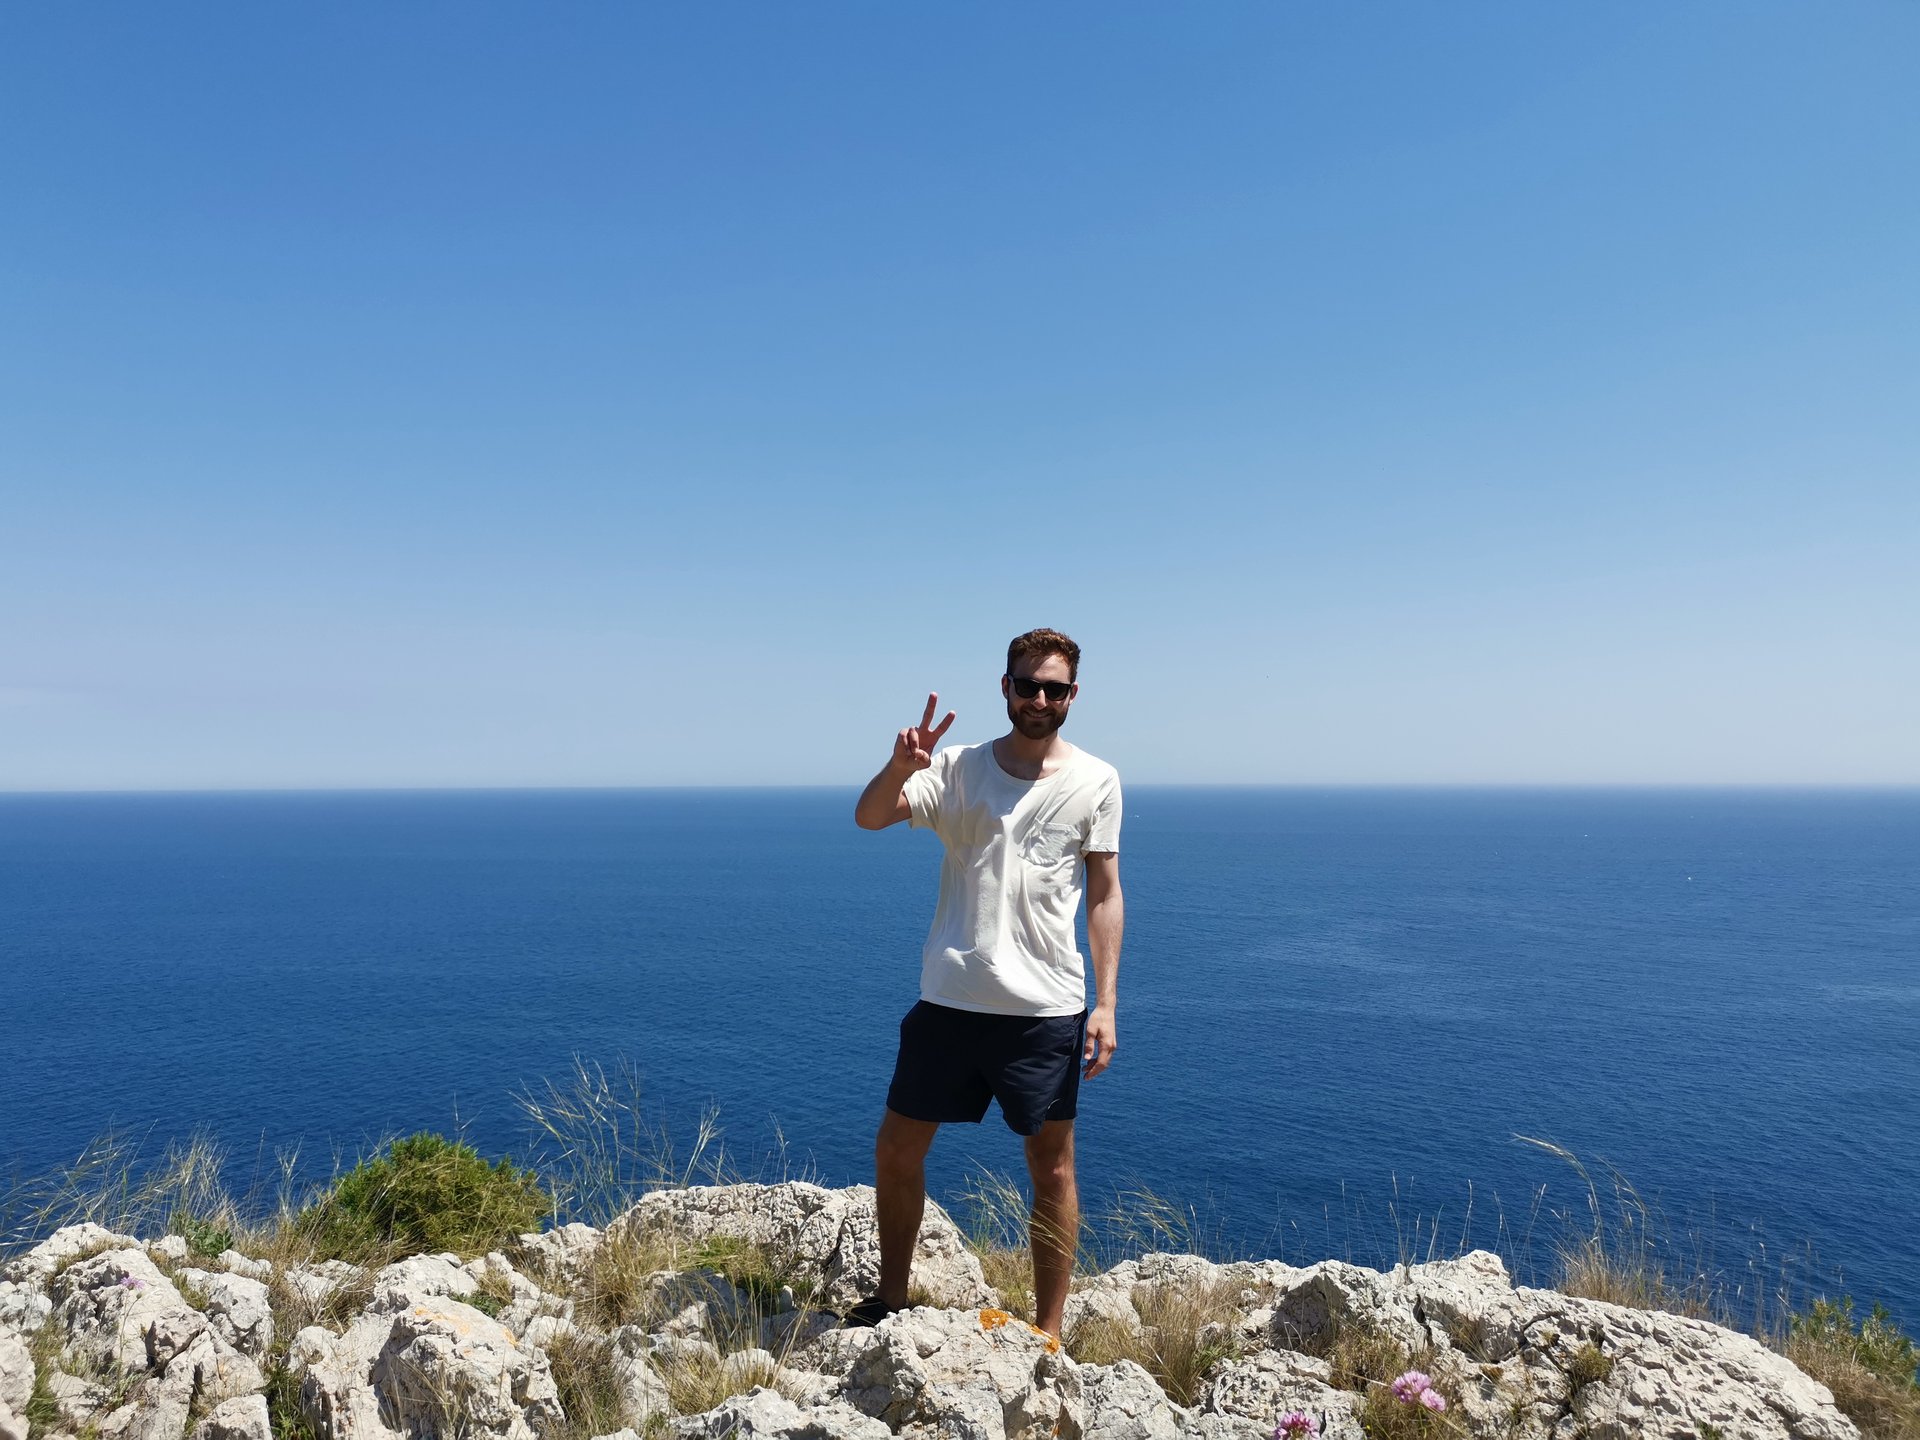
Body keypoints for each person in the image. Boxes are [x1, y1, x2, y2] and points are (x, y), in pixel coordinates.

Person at [850, 627, 1124, 1338]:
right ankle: (891, 1301)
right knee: (896, 1150)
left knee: (1053, 1171)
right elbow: (871, 817)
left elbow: (1104, 894)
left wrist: (1106, 1004)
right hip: (950, 998)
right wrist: (898, 767)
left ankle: (1048, 1333)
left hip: (1045, 1008)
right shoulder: (956, 768)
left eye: (1054, 688)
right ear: (1005, 687)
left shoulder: (1097, 780)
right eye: (1027, 685)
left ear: (1072, 695)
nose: (1039, 699)